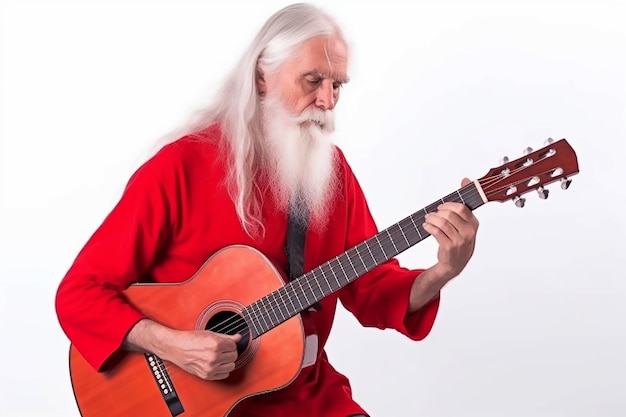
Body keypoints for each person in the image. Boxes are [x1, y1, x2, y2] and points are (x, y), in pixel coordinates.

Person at [55, 3, 479, 417]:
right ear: (261, 77)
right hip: (205, 404)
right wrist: (171, 344)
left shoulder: (333, 176)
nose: (327, 101)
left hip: (307, 397)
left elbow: (372, 290)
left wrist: (442, 271)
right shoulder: (180, 167)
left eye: (338, 86)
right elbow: (79, 295)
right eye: (313, 80)